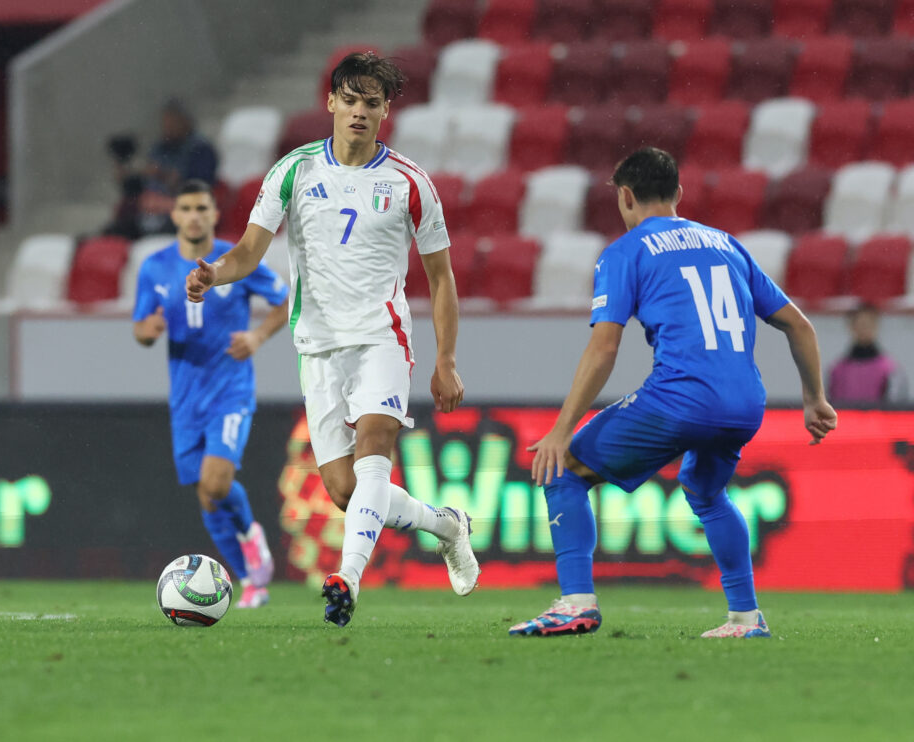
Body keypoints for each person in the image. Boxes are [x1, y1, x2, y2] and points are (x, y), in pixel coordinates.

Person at [185, 52, 480, 627]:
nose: (359, 113)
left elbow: (442, 278)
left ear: (386, 111)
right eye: (350, 100)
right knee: (345, 490)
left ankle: (347, 578)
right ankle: (447, 525)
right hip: (317, 346)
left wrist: (445, 359)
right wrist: (213, 273)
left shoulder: (410, 183)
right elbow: (248, 251)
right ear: (331, 103)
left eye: (372, 103)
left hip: (382, 338)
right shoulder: (293, 171)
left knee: (375, 449)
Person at [510, 147, 838, 639]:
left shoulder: (626, 251)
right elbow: (800, 326)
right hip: (746, 403)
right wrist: (815, 399)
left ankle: (575, 602)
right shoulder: (727, 244)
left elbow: (604, 348)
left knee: (565, 471)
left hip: (682, 398)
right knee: (706, 492)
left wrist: (561, 430)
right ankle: (746, 619)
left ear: (625, 197)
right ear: (678, 194)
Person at [134, 179, 288, 608]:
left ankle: (252, 537)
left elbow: (284, 301)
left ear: (214, 214)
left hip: (230, 389)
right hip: (185, 397)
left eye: (202, 207)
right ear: (175, 215)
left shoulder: (236, 260)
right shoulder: (154, 267)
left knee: (215, 482)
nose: (195, 214)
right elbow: (140, 327)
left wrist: (257, 336)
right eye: (186, 207)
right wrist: (148, 331)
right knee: (206, 493)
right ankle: (251, 580)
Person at [106, 98, 219, 239]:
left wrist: (161, 175)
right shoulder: (159, 148)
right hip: (151, 210)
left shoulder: (200, 150)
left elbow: (199, 186)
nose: (167, 126)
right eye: (165, 121)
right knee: (117, 227)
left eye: (172, 121)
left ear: (185, 121)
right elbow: (143, 182)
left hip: (182, 212)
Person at [828, 303, 908, 405]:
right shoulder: (837, 370)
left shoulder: (890, 370)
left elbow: (894, 407)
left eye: (868, 324)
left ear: (876, 326)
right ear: (851, 327)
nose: (864, 329)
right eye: (859, 324)